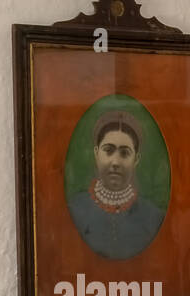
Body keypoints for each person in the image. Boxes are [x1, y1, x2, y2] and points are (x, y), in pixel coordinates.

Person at [66, 110, 166, 260]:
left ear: (136, 160)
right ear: (96, 154)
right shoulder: (74, 211)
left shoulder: (154, 219)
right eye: (108, 151)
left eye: (125, 153)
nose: (115, 162)